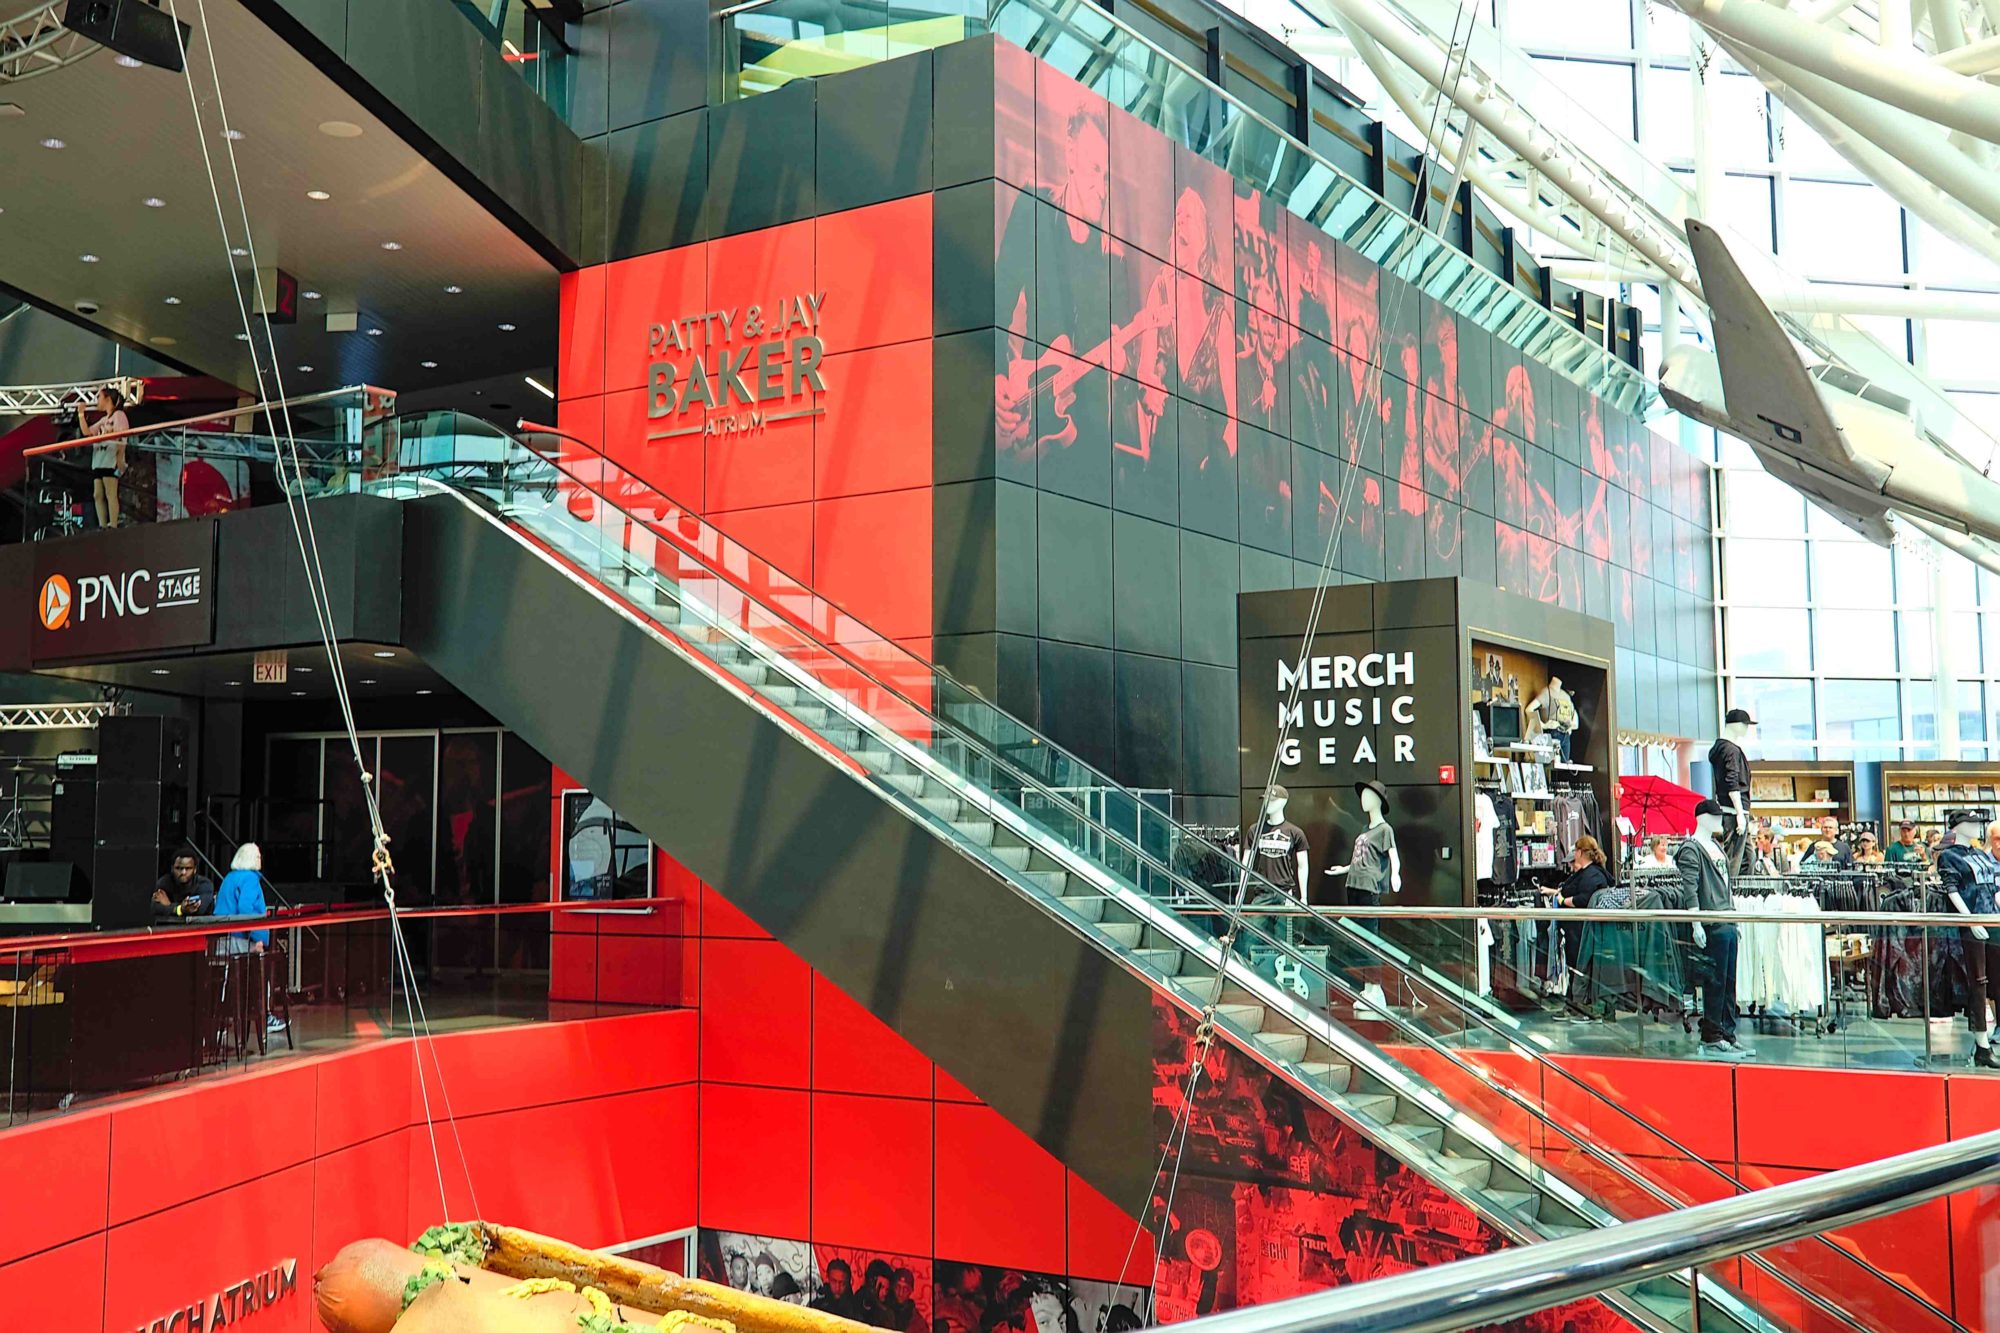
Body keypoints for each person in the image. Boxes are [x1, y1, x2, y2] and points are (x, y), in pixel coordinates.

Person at [1678, 800, 1748, 1060]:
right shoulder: (1691, 849)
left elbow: (1725, 886)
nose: (1720, 821)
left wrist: (1734, 918)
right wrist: (1696, 924)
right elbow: (1690, 888)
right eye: (1715, 816)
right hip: (1711, 923)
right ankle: (1712, 1036)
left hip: (1726, 919)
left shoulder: (1716, 847)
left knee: (1729, 982)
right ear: (1702, 817)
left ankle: (1728, 1033)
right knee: (1715, 981)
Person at [84, 385, 130, 529]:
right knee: (97, 494)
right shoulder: (104, 419)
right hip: (99, 460)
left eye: (99, 397)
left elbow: (121, 438)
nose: (97, 400)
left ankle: (113, 524)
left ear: (107, 399)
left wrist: (120, 458)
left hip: (110, 460)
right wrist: (80, 414)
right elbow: (87, 432)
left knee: (110, 492)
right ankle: (103, 525)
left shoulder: (119, 416)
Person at [151, 849, 216, 918]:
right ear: (172, 868)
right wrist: (180, 909)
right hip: (170, 926)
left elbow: (196, 910)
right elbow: (154, 909)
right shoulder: (164, 882)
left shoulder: (204, 884)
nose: (183, 872)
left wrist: (170, 906)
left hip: (198, 926)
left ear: (195, 869)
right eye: (178, 868)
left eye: (188, 868)